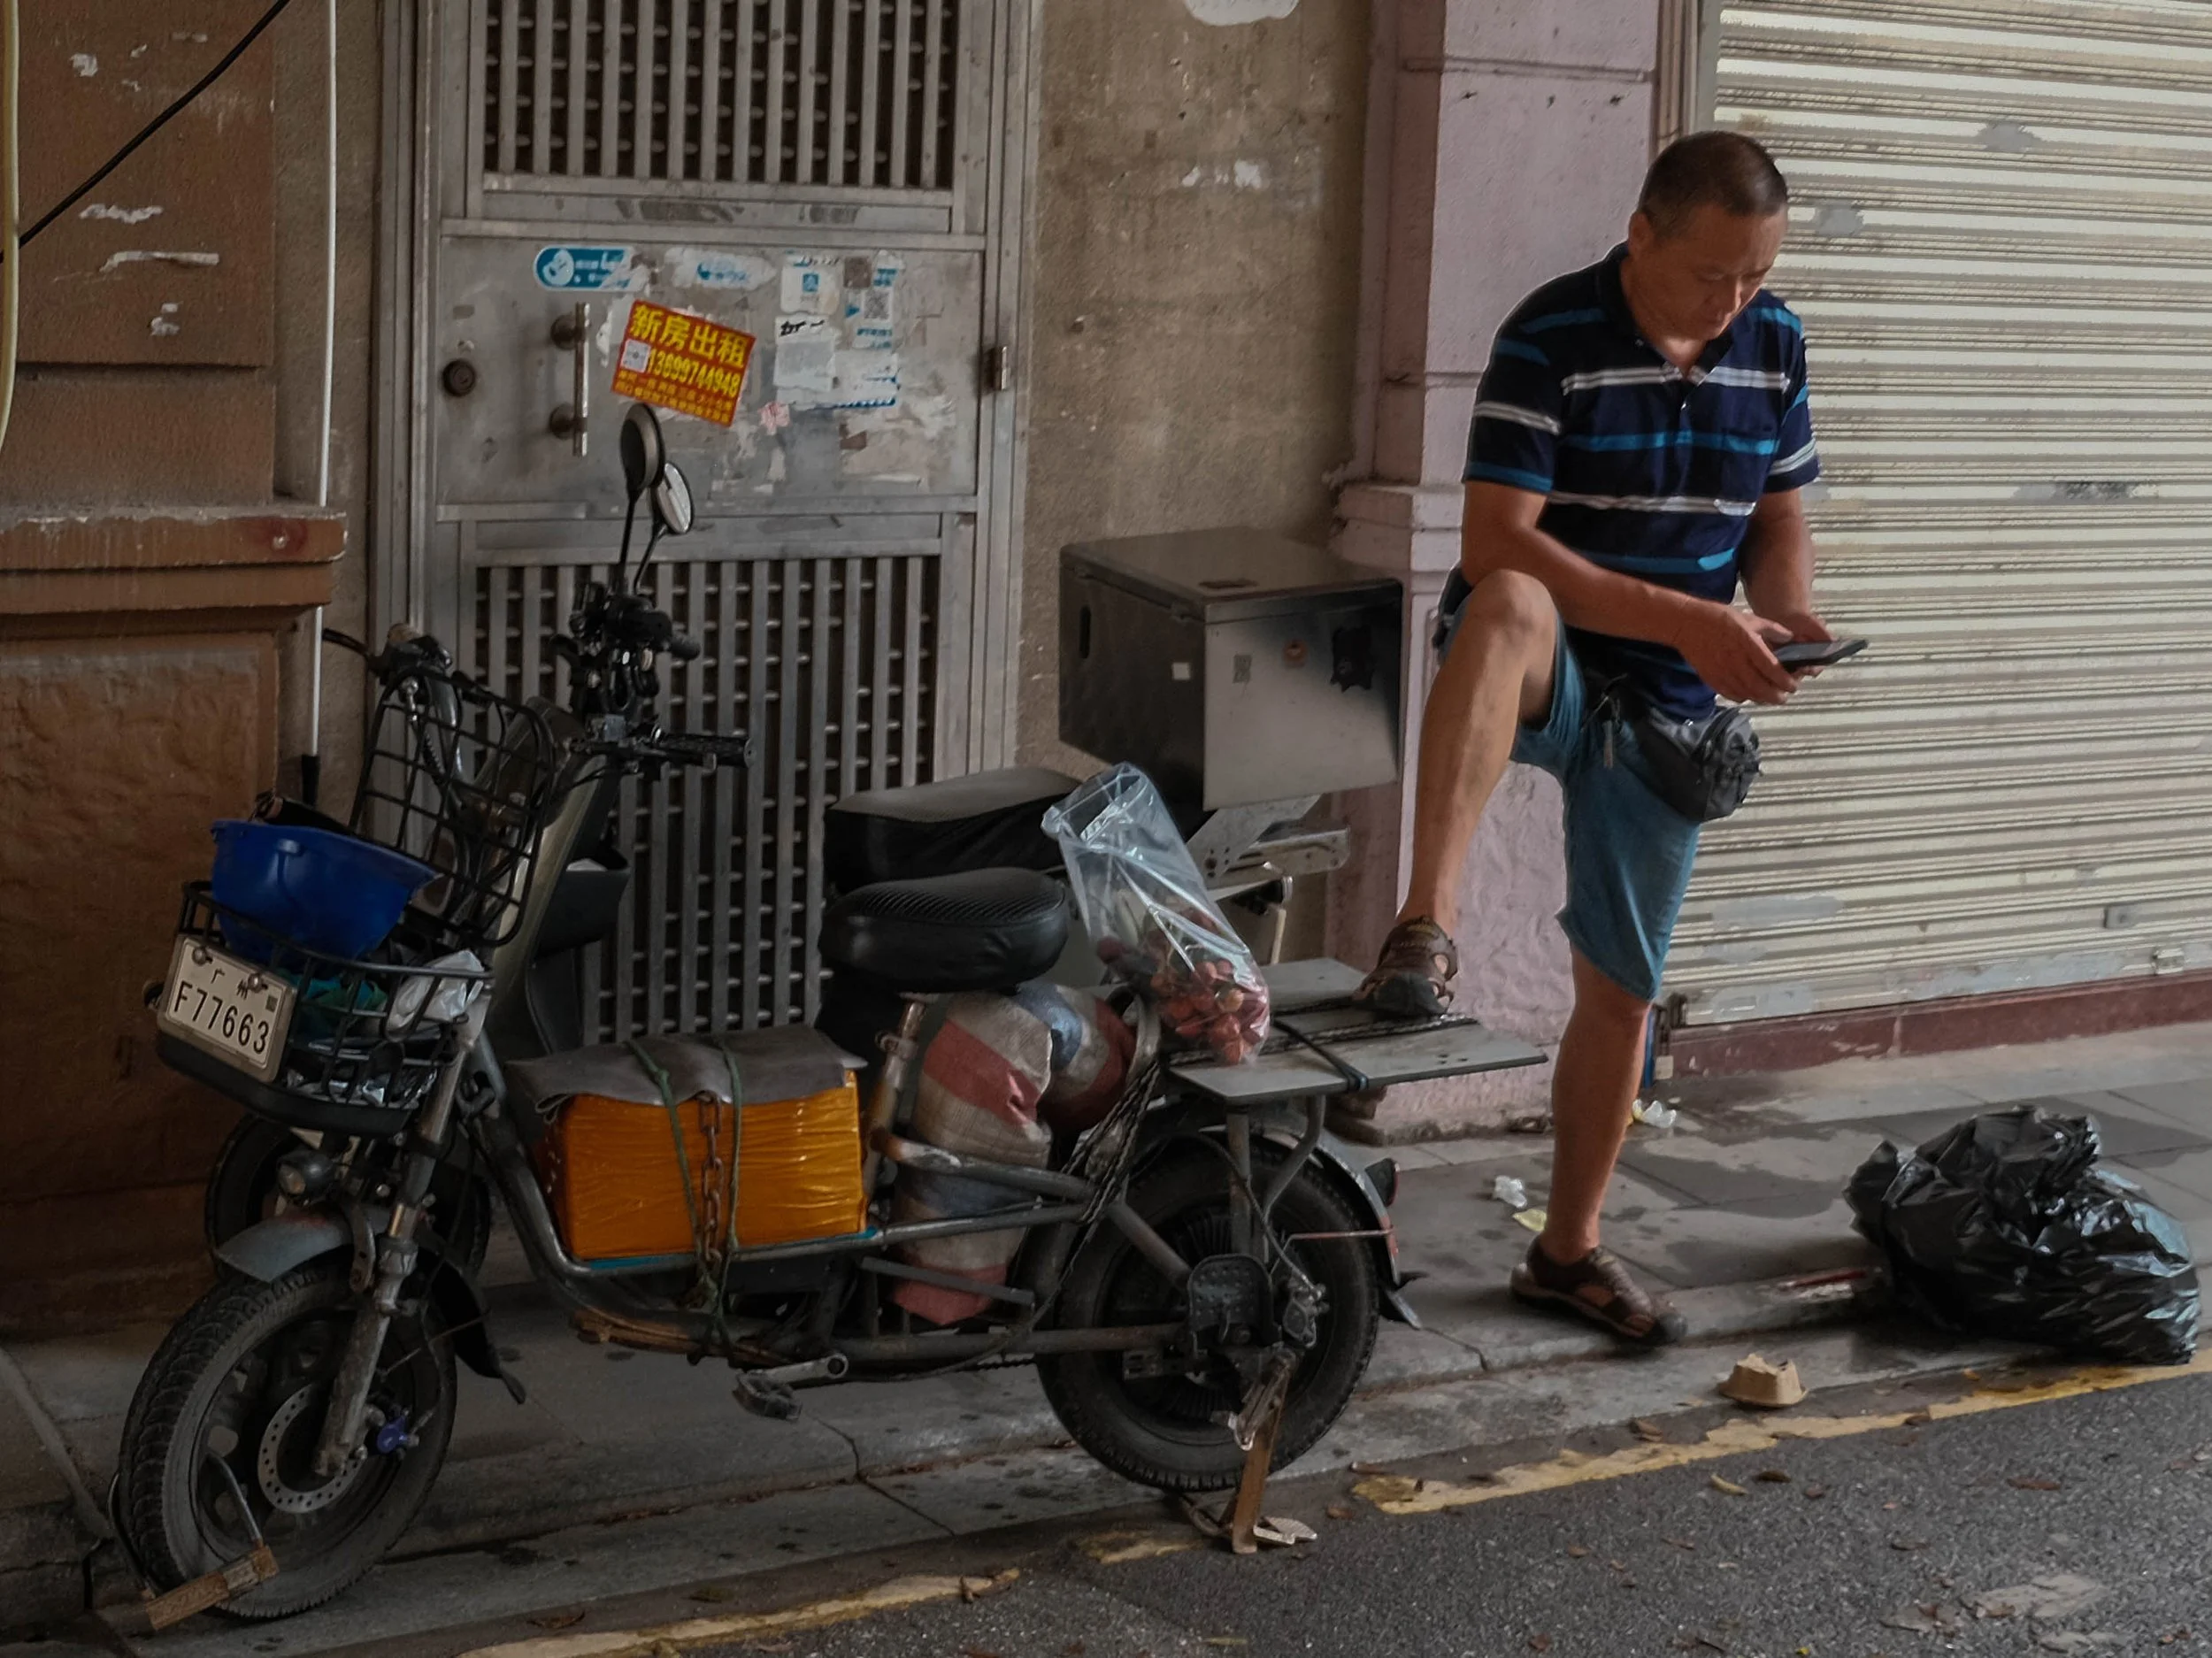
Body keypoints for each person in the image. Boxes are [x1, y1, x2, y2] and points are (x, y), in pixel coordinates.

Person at [1355, 130, 1827, 1346]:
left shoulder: (1772, 345)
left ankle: (1565, 1252)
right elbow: (1496, 543)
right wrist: (1684, 611)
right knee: (1507, 603)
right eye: (1710, 276)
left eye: (1755, 278)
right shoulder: (1549, 336)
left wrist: (1784, 611)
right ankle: (1428, 925)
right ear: (1642, 235)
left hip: (1669, 711)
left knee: (1622, 995)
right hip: (1549, 664)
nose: (1732, 304)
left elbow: (1780, 515)